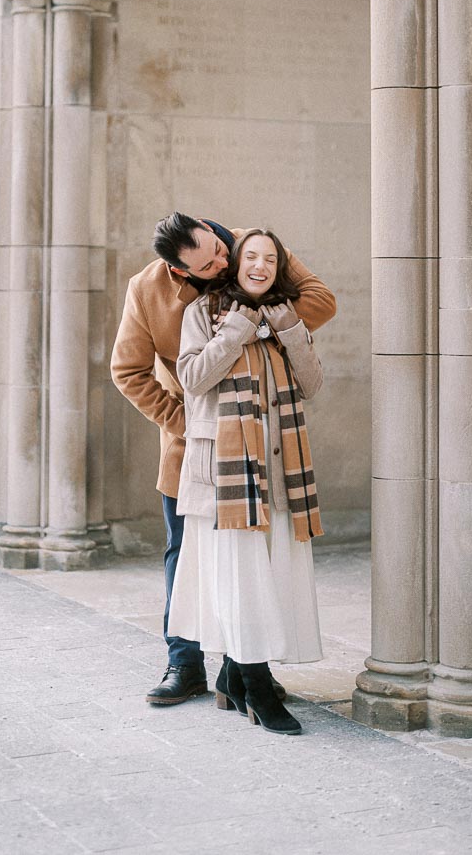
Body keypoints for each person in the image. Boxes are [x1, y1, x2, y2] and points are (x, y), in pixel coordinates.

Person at [110, 213, 336, 706]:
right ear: (179, 271)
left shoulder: (251, 248)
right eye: (207, 265)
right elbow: (128, 370)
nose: (222, 261)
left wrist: (263, 320)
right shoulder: (147, 288)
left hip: (263, 427)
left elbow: (320, 300)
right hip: (193, 439)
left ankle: (244, 663)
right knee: (184, 553)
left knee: (255, 553)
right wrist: (186, 423)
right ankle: (184, 663)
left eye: (218, 249)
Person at [167, 227, 328, 735]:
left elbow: (313, 383)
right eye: (250, 256)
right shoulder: (204, 314)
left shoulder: (285, 316)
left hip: (279, 467)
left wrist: (291, 331)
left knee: (267, 580)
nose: (259, 265)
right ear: (235, 263)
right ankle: (259, 690)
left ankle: (235, 680)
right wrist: (235, 329)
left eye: (270, 258)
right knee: (240, 581)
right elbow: (191, 378)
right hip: (225, 475)